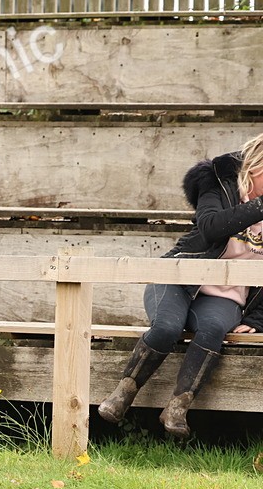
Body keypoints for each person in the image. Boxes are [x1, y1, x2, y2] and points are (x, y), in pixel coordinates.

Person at [97, 133, 263, 437]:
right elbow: (211, 227)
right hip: (177, 277)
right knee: (166, 328)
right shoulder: (217, 183)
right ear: (256, 167)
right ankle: (124, 392)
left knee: (213, 329)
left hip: (226, 295)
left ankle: (178, 407)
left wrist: (256, 319)